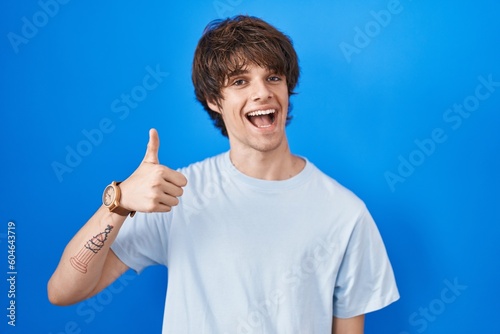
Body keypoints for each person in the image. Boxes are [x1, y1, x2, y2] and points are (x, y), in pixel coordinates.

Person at [48, 15, 399, 333]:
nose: (262, 92)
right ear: (214, 100)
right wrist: (118, 203)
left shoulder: (345, 213)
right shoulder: (178, 195)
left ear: (287, 89)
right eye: (241, 81)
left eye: (272, 77)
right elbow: (63, 291)